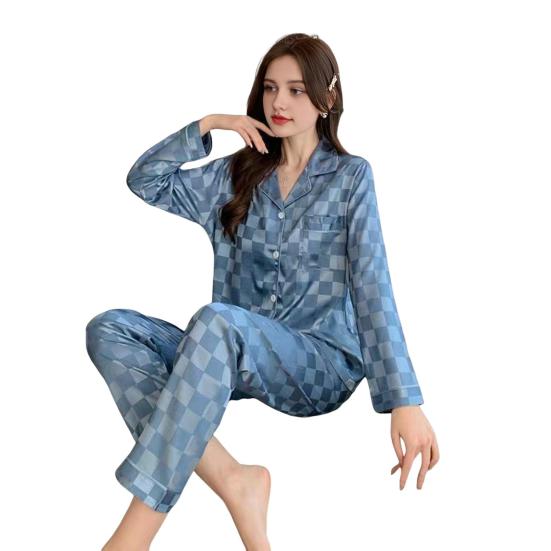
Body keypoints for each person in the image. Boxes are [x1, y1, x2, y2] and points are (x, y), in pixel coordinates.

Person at [86, 32, 439, 551]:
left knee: (216, 319)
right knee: (109, 329)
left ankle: (131, 538)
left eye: (296, 90)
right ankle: (234, 479)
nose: (279, 102)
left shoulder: (350, 178)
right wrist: (211, 124)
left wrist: (403, 400)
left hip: (319, 364)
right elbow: (146, 181)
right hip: (231, 354)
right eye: (271, 88)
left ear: (327, 98)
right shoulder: (236, 175)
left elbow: (372, 284)